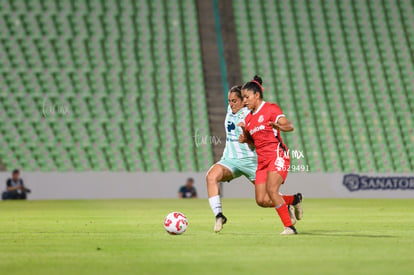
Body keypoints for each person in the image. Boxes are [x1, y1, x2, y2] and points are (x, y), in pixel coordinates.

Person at [206, 86, 302, 233]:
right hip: (230, 160)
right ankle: (219, 215)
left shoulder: (250, 114)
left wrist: (246, 134)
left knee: (264, 199)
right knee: (211, 176)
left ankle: (292, 202)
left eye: (235, 101)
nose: (231, 104)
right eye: (229, 101)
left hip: (252, 161)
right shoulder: (233, 109)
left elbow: (257, 142)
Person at [239, 75, 303, 235]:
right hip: (262, 162)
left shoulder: (271, 109)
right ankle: (294, 200)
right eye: (243, 98)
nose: (244, 101)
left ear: (257, 95)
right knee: (262, 200)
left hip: (277, 155)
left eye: (246, 97)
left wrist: (279, 125)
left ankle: (289, 227)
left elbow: (289, 126)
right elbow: (254, 145)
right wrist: (245, 138)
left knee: (272, 190)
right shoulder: (248, 119)